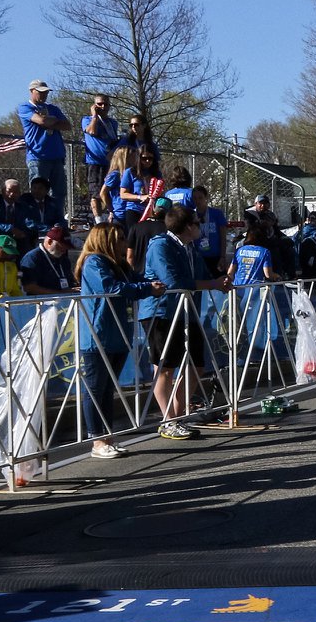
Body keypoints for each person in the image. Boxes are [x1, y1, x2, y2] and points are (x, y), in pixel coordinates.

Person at [75, 223, 164, 459]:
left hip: (118, 333)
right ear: (107, 240)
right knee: (95, 388)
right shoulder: (94, 262)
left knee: (107, 389)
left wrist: (151, 284)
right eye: (121, 238)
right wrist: (146, 289)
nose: (126, 243)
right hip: (98, 334)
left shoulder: (121, 265)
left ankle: (107, 436)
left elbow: (138, 278)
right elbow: (110, 287)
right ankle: (96, 439)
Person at [140, 205, 227, 439]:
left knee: (197, 364)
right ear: (189, 226)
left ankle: (177, 416)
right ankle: (169, 421)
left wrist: (220, 280)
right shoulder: (161, 245)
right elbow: (173, 280)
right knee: (165, 368)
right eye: (197, 222)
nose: (201, 226)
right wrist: (212, 285)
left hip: (187, 311)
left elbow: (202, 275)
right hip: (161, 312)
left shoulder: (190, 247)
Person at [17, 79, 72, 225]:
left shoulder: (53, 108)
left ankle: (57, 222)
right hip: (38, 156)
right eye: (40, 92)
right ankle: (36, 222)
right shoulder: (25, 107)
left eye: (46, 92)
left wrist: (49, 119)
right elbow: (41, 121)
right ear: (32, 91)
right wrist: (51, 121)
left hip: (57, 156)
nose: (44, 95)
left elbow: (67, 125)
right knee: (38, 192)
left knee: (59, 193)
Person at [81, 94, 119, 221]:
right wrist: (94, 116)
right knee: (95, 192)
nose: (103, 107)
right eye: (99, 104)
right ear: (94, 105)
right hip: (94, 162)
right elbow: (91, 131)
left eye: (106, 104)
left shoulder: (113, 123)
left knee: (110, 190)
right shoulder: (87, 119)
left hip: (111, 163)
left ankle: (111, 215)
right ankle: (98, 220)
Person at [19, 225, 77, 296]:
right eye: (61, 246)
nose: (64, 251)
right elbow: (29, 287)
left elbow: (69, 281)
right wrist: (59, 294)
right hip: (40, 303)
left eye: (66, 247)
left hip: (64, 300)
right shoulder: (32, 258)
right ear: (50, 242)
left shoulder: (63, 259)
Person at [127, 196, 171, 273]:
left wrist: (131, 275)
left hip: (138, 277)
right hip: (159, 277)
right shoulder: (169, 230)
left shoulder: (136, 227)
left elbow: (130, 256)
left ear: (153, 208)